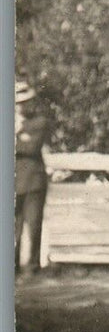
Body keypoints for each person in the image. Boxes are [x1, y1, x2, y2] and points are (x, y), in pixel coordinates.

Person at [14, 79, 50, 279]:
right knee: (13, 228)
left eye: (25, 102)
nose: (22, 106)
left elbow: (32, 147)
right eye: (19, 102)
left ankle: (32, 267)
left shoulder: (39, 122)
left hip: (34, 183)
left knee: (34, 225)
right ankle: (12, 268)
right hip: (13, 183)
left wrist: (17, 138)